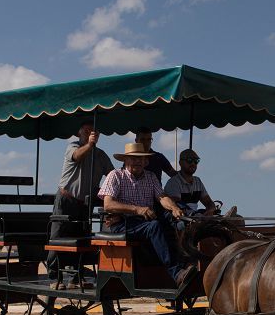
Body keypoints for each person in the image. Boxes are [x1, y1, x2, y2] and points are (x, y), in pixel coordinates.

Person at [99, 141, 196, 292]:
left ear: (145, 161)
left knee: (175, 221)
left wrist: (175, 208)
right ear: (125, 160)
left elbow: (162, 197)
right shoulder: (116, 176)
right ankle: (176, 273)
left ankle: (187, 262)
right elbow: (108, 205)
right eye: (133, 158)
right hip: (122, 224)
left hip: (144, 223)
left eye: (141, 158)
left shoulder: (150, 177)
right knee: (155, 226)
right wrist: (137, 210)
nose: (137, 161)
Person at [50, 122, 114, 239]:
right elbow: (76, 156)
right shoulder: (73, 146)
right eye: (86, 131)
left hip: (86, 204)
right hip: (66, 201)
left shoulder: (101, 155)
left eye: (94, 132)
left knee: (82, 238)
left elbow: (113, 176)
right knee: (58, 238)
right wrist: (90, 144)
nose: (90, 134)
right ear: (79, 133)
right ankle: (52, 258)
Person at [164, 148, 218, 216]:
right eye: (189, 160)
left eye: (196, 161)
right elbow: (177, 205)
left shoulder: (197, 181)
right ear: (180, 163)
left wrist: (211, 210)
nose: (193, 163)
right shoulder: (173, 182)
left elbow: (208, 202)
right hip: (181, 219)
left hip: (196, 217)